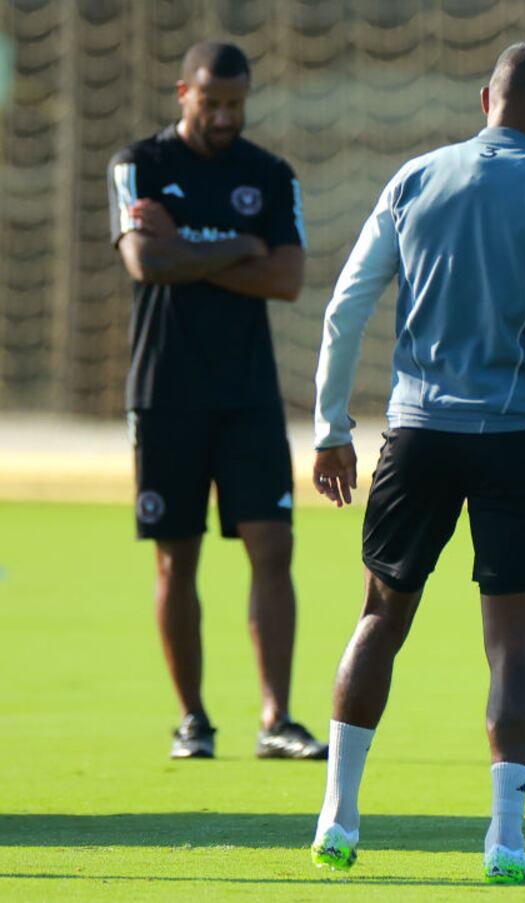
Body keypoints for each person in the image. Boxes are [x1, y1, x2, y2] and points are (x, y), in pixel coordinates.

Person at [307, 41, 525, 884]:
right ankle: (506, 841)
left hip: (415, 433)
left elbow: (345, 308)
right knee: (513, 646)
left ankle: (337, 816)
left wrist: (330, 425)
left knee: (380, 615)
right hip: (516, 436)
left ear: (485, 97)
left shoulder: (413, 178)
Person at [107, 40, 326, 761]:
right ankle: (194, 721)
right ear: (183, 93)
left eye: (238, 102)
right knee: (177, 557)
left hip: (248, 396)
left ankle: (277, 719)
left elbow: (288, 279)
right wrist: (241, 250)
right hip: (165, 391)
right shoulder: (138, 165)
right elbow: (143, 263)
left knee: (274, 547)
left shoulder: (267, 175)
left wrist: (200, 249)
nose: (227, 115)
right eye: (214, 102)